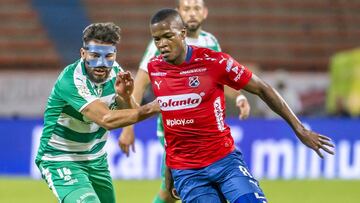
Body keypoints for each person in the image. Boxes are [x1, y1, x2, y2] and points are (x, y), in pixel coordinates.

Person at [147, 9, 335, 203]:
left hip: (225, 162)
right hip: (188, 172)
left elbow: (263, 89)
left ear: (183, 33)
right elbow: (172, 125)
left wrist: (300, 129)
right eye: (157, 39)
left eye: (168, 36)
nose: (162, 45)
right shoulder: (155, 69)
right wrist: (170, 174)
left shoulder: (214, 62)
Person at [119, 1, 250, 202]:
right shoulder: (162, 43)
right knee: (170, 189)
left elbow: (222, 76)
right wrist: (128, 128)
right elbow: (141, 82)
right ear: (179, 13)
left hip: (208, 130)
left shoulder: (210, 41)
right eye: (187, 9)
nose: (192, 14)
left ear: (204, 13)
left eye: (196, 8)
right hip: (175, 131)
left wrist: (239, 96)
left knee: (175, 192)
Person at [34, 22, 159, 203]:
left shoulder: (116, 72)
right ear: (83, 53)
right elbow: (107, 119)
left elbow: (131, 113)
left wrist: (125, 97)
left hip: (96, 159)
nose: (101, 63)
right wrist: (154, 107)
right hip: (60, 158)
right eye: (94, 55)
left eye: (108, 56)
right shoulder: (71, 80)